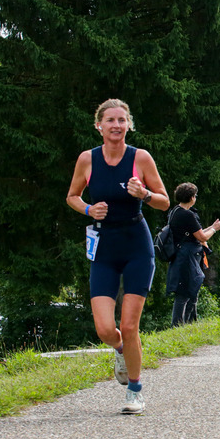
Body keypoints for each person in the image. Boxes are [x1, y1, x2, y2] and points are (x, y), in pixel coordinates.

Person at [66, 98, 169, 414]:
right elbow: (72, 196)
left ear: (129, 125)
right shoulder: (87, 160)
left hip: (137, 245)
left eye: (122, 120)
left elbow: (164, 202)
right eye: (110, 120)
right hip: (104, 247)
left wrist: (145, 194)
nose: (116, 125)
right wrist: (87, 208)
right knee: (104, 329)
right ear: (99, 126)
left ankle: (135, 391)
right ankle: (123, 351)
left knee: (129, 324)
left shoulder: (141, 158)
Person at [166, 182, 220, 327]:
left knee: (192, 291)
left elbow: (195, 233)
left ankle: (190, 325)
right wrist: (215, 230)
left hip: (182, 255)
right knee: (184, 293)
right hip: (186, 257)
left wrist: (212, 226)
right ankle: (178, 327)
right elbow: (202, 238)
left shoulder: (176, 211)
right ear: (192, 197)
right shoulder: (187, 215)